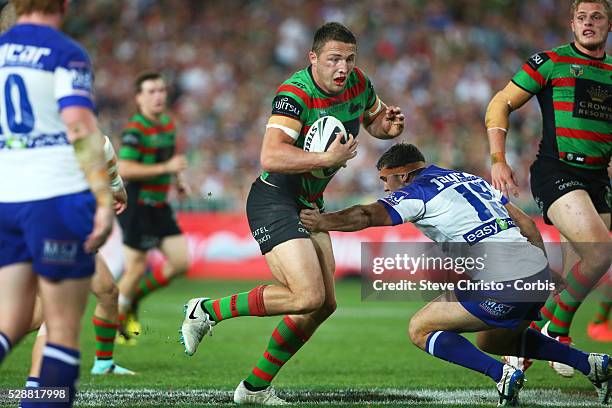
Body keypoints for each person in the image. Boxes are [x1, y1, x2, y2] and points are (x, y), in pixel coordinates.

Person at [180, 22, 404, 405]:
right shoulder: (294, 93)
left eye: (349, 59)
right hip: (274, 199)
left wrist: (388, 126)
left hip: (310, 204)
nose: (343, 67)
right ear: (313, 58)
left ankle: (254, 388)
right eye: (334, 59)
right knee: (307, 295)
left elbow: (374, 121)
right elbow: (271, 155)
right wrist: (326, 158)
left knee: (324, 304)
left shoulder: (359, 84)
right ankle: (206, 310)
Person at [299, 142, 611, 406]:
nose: (384, 188)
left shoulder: (416, 192)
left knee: (420, 329)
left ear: (403, 175)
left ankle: (501, 375)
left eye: (386, 180)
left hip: (502, 278)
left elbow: (366, 214)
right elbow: (528, 226)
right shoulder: (469, 179)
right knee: (494, 340)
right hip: (533, 271)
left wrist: (322, 222)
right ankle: (591, 364)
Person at [485, 0, 611, 377]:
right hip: (556, 171)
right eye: (582, 17)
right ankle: (553, 330)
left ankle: (528, 339)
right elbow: (500, 102)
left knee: (582, 271)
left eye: (597, 17)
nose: (589, 23)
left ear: (609, 23)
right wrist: (498, 158)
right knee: (601, 251)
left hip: (598, 179)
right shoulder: (549, 62)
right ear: (571, 23)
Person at [0, 0, 113, 406]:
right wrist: (103, 196)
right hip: (53, 198)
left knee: (9, 321)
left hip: (5, 198)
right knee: (61, 328)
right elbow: (80, 126)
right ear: (64, 5)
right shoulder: (64, 53)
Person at [25, 135, 135, 383]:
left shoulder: (93, 139)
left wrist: (118, 190)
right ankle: (36, 388)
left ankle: (104, 363)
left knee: (107, 290)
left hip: (69, 229)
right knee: (51, 314)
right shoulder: (49, 141)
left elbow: (110, 167)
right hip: (52, 227)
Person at [116, 72, 191, 343]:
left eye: (161, 89)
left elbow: (170, 159)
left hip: (160, 206)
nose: (158, 95)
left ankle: (133, 297)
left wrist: (179, 180)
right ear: (139, 98)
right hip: (137, 204)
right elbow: (125, 168)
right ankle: (116, 326)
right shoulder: (135, 129)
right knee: (134, 270)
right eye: (151, 91)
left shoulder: (168, 125)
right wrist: (166, 168)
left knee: (181, 262)